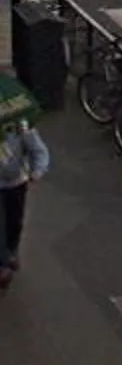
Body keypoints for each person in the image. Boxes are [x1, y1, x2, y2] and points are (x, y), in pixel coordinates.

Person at [0, 95, 51, 286]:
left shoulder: (19, 124)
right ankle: (2, 263)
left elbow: (37, 149)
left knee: (14, 221)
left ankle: (11, 249)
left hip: (15, 183)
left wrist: (38, 169)